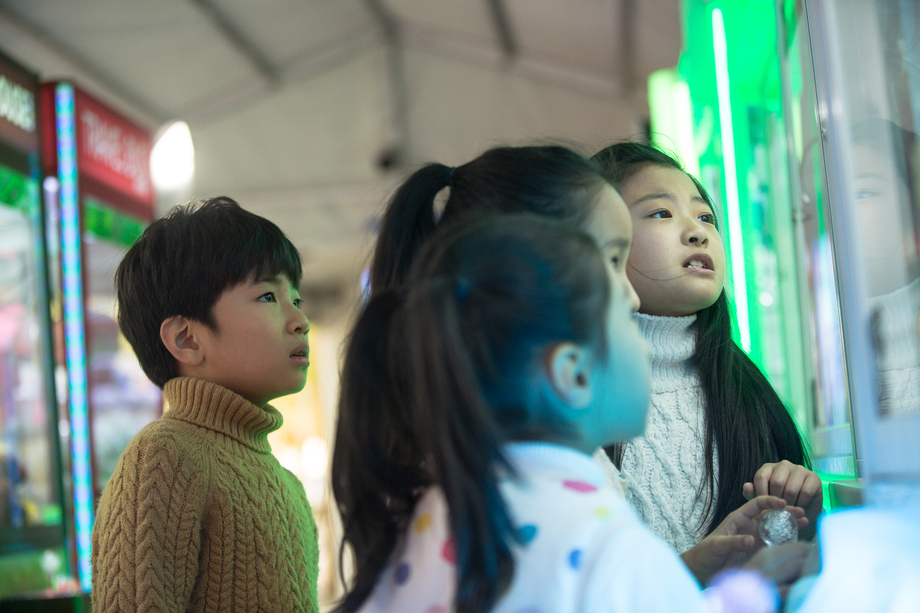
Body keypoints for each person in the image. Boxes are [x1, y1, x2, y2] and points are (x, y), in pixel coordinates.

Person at [332, 214, 810, 613]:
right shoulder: (605, 536)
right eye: (627, 323)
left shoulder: (443, 510)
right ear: (573, 374)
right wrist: (753, 592)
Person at [591, 142, 823, 559]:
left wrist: (794, 516)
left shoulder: (746, 389)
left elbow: (770, 563)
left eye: (705, 217)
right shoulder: (573, 399)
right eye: (661, 212)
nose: (698, 231)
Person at [91, 197, 319, 612]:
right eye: (268, 296)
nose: (299, 319)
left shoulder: (288, 485)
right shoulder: (162, 458)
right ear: (186, 339)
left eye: (297, 299)